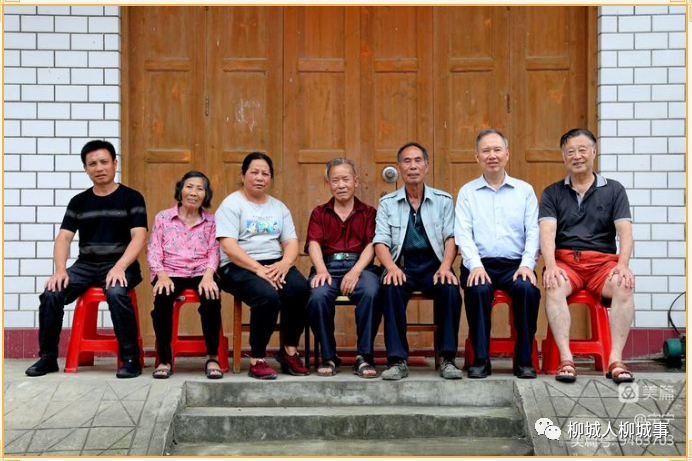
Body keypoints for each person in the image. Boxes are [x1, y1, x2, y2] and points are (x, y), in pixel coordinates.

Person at [25, 140, 147, 378]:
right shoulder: (79, 201)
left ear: (115, 163)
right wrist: (60, 269)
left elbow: (139, 236)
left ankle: (131, 359)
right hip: (86, 265)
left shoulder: (131, 197)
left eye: (104, 162)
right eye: (92, 164)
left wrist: (120, 267)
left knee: (116, 293)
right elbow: (63, 238)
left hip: (122, 264)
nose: (99, 168)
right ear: (85, 168)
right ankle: (48, 358)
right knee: (51, 294)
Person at [539, 128, 635, 384]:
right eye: (570, 151)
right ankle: (566, 359)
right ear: (563, 156)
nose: (577, 156)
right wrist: (550, 266)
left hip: (602, 264)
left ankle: (616, 360)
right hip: (567, 263)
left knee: (624, 285)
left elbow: (625, 232)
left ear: (594, 152)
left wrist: (623, 265)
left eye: (582, 150)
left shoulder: (614, 190)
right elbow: (547, 232)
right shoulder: (552, 193)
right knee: (553, 284)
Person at [454, 129, 540, 379]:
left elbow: (533, 231)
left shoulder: (524, 191)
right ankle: (481, 360)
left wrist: (527, 264)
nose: (492, 155)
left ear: (507, 154)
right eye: (486, 151)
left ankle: (524, 360)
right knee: (477, 290)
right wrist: (475, 265)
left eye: (497, 150)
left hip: (516, 265)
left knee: (527, 290)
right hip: (480, 264)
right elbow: (463, 234)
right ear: (477, 157)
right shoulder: (468, 192)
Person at [216, 152, 310, 380]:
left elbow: (291, 242)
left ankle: (289, 352)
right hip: (237, 265)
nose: (260, 178)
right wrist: (258, 269)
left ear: (270, 178)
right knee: (267, 297)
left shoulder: (279, 207)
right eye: (254, 172)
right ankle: (257, 359)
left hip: (274, 262)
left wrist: (285, 263)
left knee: (300, 289)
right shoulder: (231, 204)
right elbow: (228, 246)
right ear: (243, 176)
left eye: (265, 174)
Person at [373, 142, 463, 380]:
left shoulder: (443, 200)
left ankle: (447, 359)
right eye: (407, 161)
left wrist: (446, 267)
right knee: (390, 287)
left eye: (417, 161)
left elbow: (451, 237)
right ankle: (397, 360)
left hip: (435, 265)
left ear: (426, 166)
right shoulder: (387, 203)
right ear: (399, 167)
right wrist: (391, 268)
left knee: (450, 289)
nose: (412, 166)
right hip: (402, 265)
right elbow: (380, 241)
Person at [306, 158, 381, 378]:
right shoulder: (319, 213)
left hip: (361, 267)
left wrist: (355, 271)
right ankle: (329, 356)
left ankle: (364, 356)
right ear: (328, 183)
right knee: (317, 295)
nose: (341, 185)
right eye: (335, 180)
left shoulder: (369, 212)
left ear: (355, 181)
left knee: (372, 291)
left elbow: (372, 245)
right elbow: (313, 244)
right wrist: (321, 270)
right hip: (328, 266)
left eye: (346, 179)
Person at [147, 171, 223, 379]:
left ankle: (212, 357)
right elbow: (154, 249)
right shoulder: (163, 217)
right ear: (180, 190)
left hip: (201, 271)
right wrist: (161, 275)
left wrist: (209, 276)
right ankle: (164, 359)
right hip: (170, 271)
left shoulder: (211, 221)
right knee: (162, 301)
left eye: (200, 189)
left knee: (211, 298)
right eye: (189, 187)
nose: (194, 192)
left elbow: (214, 251)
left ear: (206, 195)